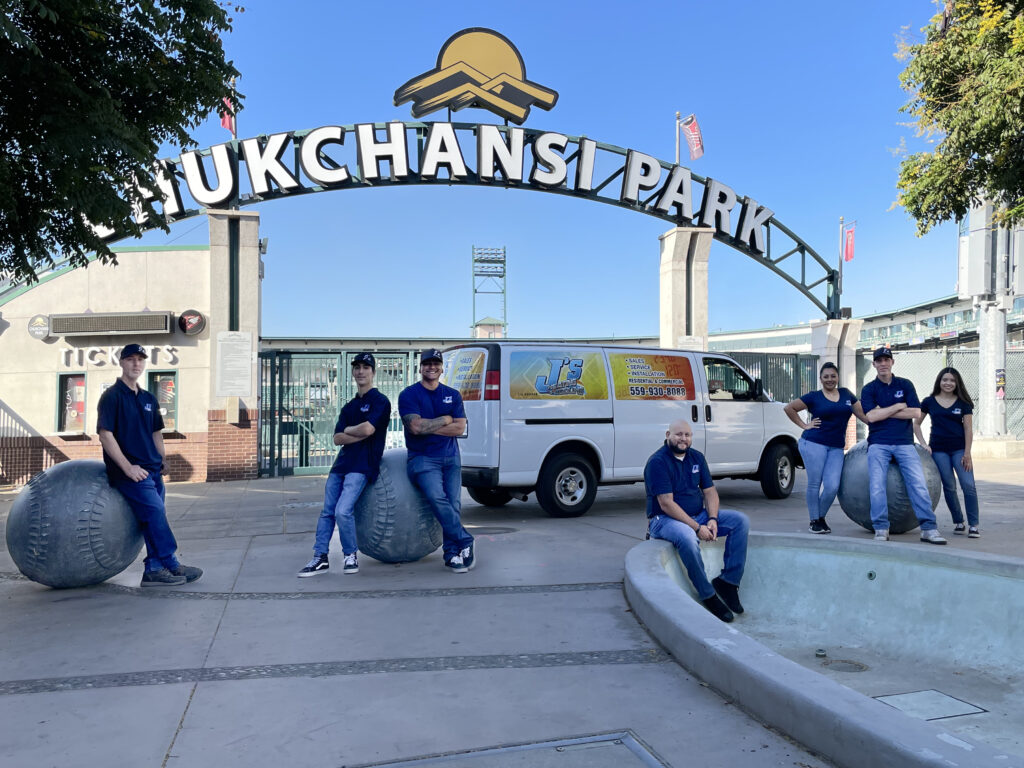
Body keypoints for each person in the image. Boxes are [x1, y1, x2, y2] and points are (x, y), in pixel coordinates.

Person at [97, 344, 202, 587]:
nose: (136, 364)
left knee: (153, 518)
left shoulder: (148, 398)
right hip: (131, 474)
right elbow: (105, 434)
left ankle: (154, 569)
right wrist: (127, 468)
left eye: (140, 360)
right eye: (130, 359)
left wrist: (162, 459)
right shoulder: (112, 396)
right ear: (121, 362)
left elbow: (156, 432)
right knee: (154, 513)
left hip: (153, 470)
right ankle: (170, 562)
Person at [643, 420, 750, 623]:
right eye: (679, 434)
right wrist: (697, 527)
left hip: (698, 515)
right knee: (687, 536)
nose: (683, 439)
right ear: (668, 435)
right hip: (664, 520)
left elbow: (710, 492)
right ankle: (707, 594)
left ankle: (728, 582)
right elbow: (666, 504)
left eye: (687, 435)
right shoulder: (658, 462)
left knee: (740, 521)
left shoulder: (697, 458)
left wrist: (712, 519)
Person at [298, 353, 391, 577]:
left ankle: (350, 554)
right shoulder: (349, 406)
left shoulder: (380, 401)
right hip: (341, 466)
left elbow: (369, 430)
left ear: (373, 372)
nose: (360, 371)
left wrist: (351, 430)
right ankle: (320, 557)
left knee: (343, 511)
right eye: (357, 367)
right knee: (327, 512)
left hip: (362, 465)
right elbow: (337, 438)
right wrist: (354, 432)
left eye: (365, 367)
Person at [399, 349, 475, 573]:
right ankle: (465, 539)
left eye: (436, 363)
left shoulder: (453, 394)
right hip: (422, 459)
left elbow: (460, 428)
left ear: (442, 368)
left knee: (453, 505)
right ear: (420, 368)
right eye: (427, 363)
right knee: (437, 499)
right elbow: (415, 427)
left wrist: (429, 427)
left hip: (451, 457)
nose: (431, 367)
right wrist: (445, 419)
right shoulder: (409, 395)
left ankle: (452, 555)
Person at [860, 347, 946, 544]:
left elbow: (916, 413)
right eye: (879, 360)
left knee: (918, 483)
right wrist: (899, 406)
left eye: (886, 360)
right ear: (874, 364)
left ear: (892, 362)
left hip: (904, 443)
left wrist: (884, 411)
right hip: (878, 443)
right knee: (876, 485)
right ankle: (881, 528)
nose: (883, 363)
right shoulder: (869, 389)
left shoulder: (905, 384)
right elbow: (871, 416)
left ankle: (928, 529)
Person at [784, 362, 866, 534]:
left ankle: (819, 517)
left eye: (833, 376)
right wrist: (805, 425)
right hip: (814, 443)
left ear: (837, 377)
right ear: (821, 379)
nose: (830, 379)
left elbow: (863, 415)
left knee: (832, 486)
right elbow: (789, 408)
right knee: (815, 483)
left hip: (836, 447)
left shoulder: (846, 394)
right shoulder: (814, 396)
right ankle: (815, 521)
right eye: (826, 376)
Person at [913, 367, 979, 538]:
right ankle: (959, 521)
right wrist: (923, 444)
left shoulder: (964, 403)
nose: (948, 383)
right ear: (939, 382)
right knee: (949, 487)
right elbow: (916, 424)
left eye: (952, 380)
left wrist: (967, 453)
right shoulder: (929, 401)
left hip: (959, 451)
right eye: (945, 380)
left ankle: (973, 525)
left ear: (957, 383)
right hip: (939, 450)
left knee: (968, 486)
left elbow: (968, 429)